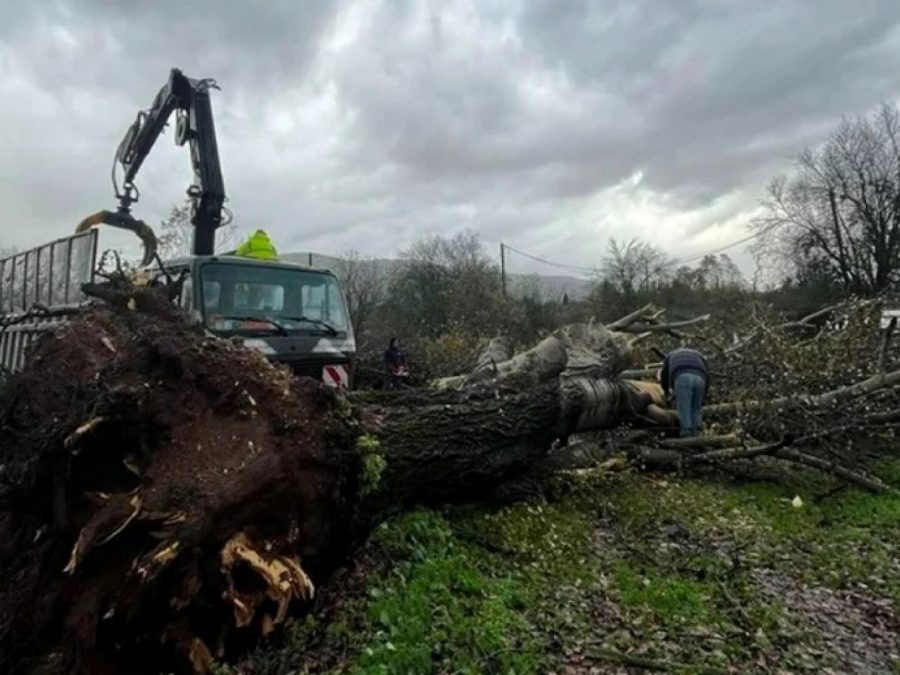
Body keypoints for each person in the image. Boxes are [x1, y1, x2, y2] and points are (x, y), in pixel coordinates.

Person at [660, 346, 709, 437]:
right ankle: (697, 434)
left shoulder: (670, 356)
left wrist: (666, 392)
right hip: (701, 378)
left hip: (683, 377)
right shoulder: (698, 355)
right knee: (696, 409)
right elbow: (707, 372)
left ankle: (686, 434)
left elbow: (664, 376)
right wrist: (705, 393)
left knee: (684, 408)